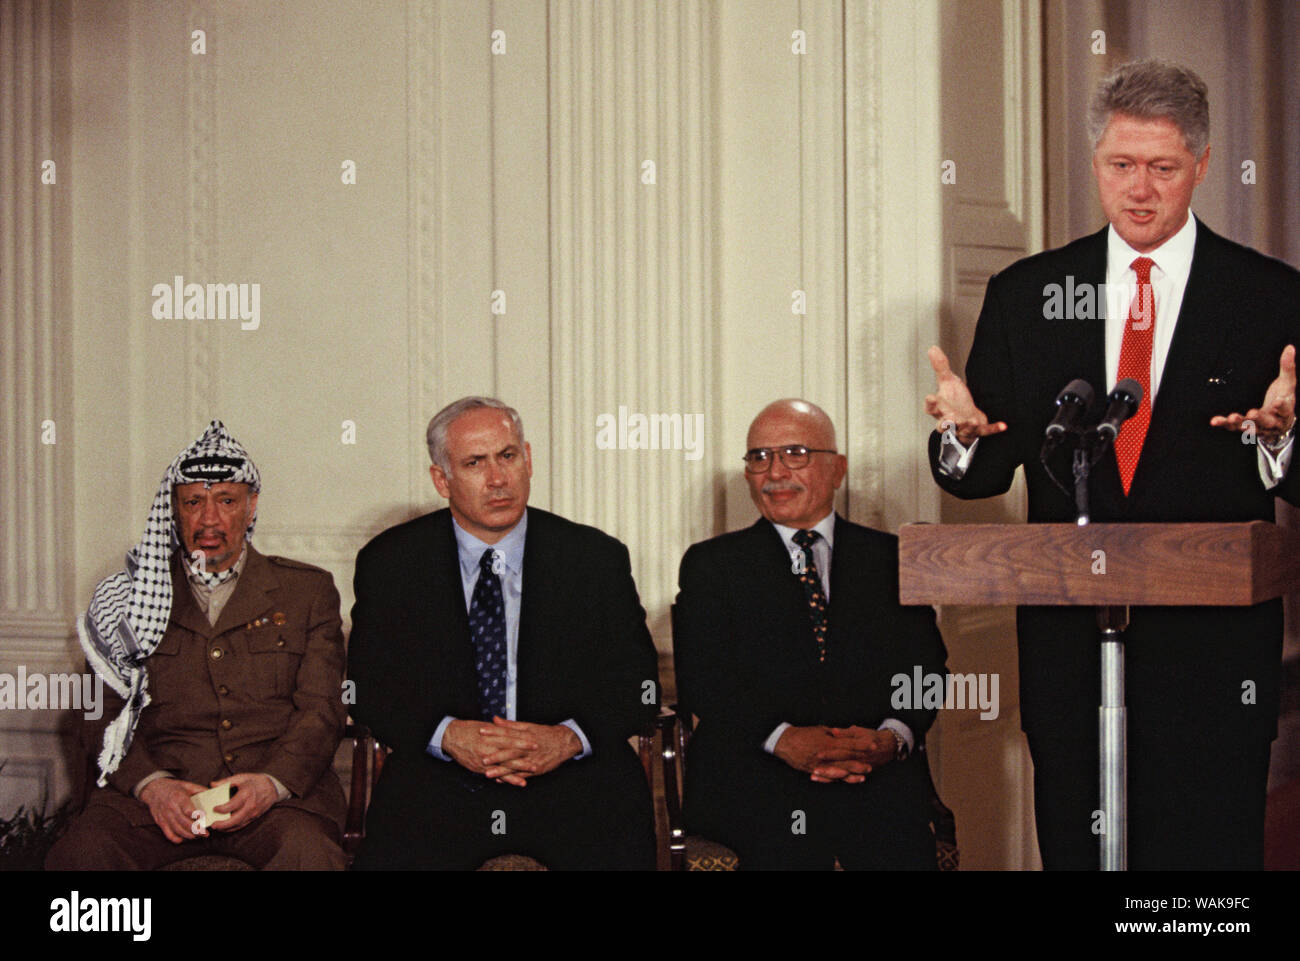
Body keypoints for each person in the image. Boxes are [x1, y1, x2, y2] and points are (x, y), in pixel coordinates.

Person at [925, 59, 1299, 869]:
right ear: (1095, 164)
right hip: (1070, 666)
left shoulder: (1270, 296)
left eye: (1162, 168)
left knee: (1203, 897)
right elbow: (983, 473)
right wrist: (961, 439)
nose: (1139, 189)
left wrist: (1278, 440)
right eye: (1119, 166)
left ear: (1200, 165)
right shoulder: (1029, 293)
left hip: (1214, 669)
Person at [347, 397, 659, 869]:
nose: (498, 479)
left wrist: (567, 740)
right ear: (441, 479)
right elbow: (367, 688)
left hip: (571, 787)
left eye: (508, 456)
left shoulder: (594, 559)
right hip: (441, 786)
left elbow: (639, 685)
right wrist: (448, 735)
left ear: (528, 459)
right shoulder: (391, 563)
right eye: (475, 463)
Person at [47, 421, 348, 870]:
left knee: (309, 856)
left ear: (251, 507)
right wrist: (151, 785)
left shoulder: (306, 592)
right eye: (193, 502)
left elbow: (322, 710)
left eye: (226, 500)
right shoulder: (127, 597)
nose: (209, 519)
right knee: (80, 857)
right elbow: (96, 711)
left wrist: (272, 782)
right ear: (175, 510)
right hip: (156, 802)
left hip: (274, 801)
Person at [675, 399, 948, 869]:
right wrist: (782, 739)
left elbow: (926, 668)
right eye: (759, 458)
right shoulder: (712, 565)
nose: (775, 472)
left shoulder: (892, 559)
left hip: (873, 779)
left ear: (837, 469)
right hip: (756, 779)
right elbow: (705, 680)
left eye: (795, 453)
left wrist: (893, 736)